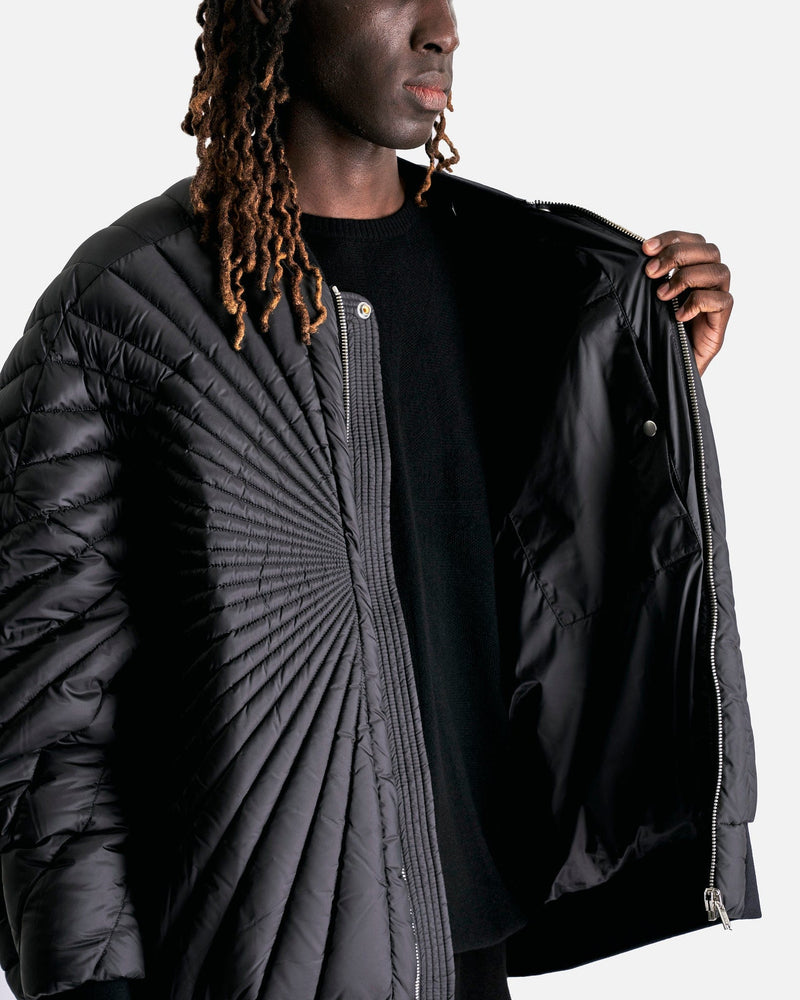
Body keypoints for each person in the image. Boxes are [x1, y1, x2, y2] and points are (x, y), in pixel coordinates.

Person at [0, 2, 759, 1000]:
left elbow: (536, 583)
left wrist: (641, 385)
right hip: (257, 958)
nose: (442, 28)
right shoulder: (128, 311)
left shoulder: (521, 277)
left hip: (472, 938)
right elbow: (48, 717)